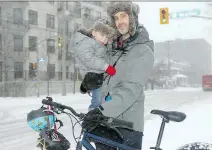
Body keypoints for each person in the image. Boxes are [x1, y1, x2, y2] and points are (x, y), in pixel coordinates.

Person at [82, 2, 154, 150]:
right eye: (116, 18)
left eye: (123, 16)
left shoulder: (142, 51)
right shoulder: (115, 49)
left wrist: (101, 112)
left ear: (132, 17)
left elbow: (130, 90)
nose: (119, 21)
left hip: (127, 126)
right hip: (108, 122)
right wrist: (94, 79)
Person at [71, 18, 117, 111]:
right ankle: (91, 118)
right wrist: (106, 67)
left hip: (101, 75)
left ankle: (103, 115)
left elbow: (106, 57)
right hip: (94, 76)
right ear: (93, 32)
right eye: (102, 35)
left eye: (107, 37)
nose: (104, 39)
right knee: (97, 101)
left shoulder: (100, 44)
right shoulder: (84, 42)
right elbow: (89, 59)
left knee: (105, 97)